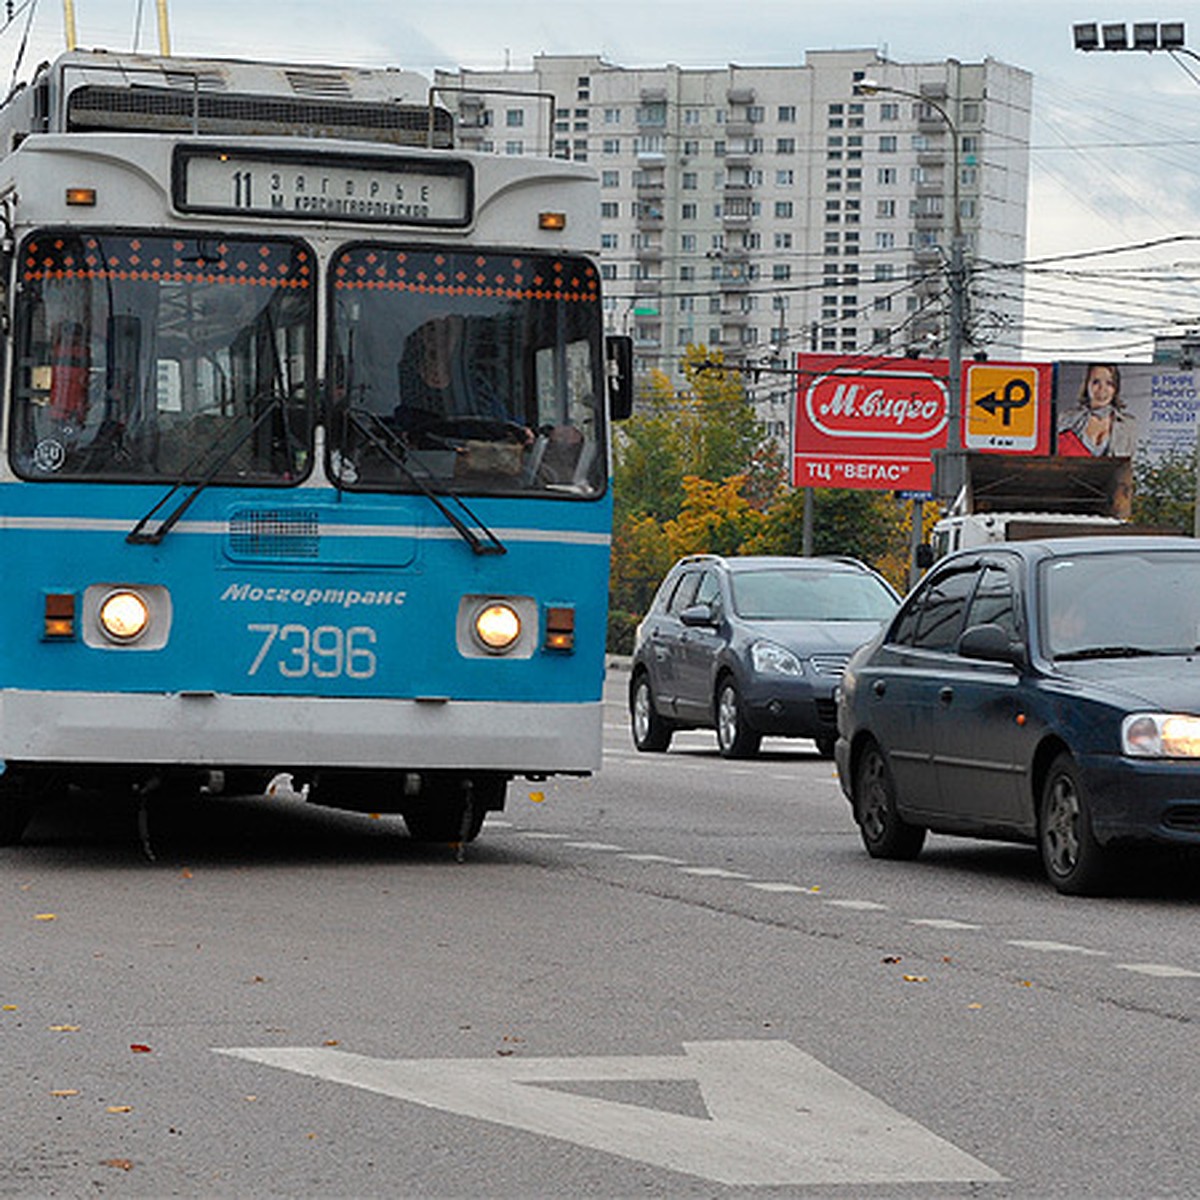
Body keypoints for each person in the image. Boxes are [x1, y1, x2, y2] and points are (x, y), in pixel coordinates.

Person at [1057, 363, 1137, 457]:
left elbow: (1129, 466)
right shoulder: (1066, 419)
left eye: (1109, 383)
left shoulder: (1128, 425)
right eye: (1096, 382)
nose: (1102, 389)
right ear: (1087, 385)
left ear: (1116, 388)